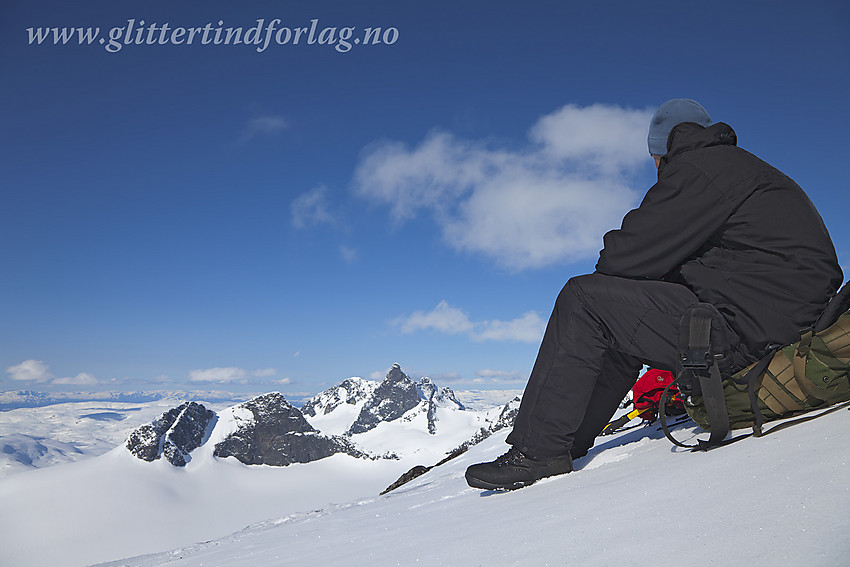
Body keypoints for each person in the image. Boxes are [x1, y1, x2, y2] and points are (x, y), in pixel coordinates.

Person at [465, 99, 843, 490]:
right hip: (785, 326)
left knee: (584, 299)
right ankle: (569, 442)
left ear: (661, 152)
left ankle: (538, 452)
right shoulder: (748, 170)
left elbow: (622, 257)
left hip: (748, 336)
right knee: (617, 311)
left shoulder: (698, 171)